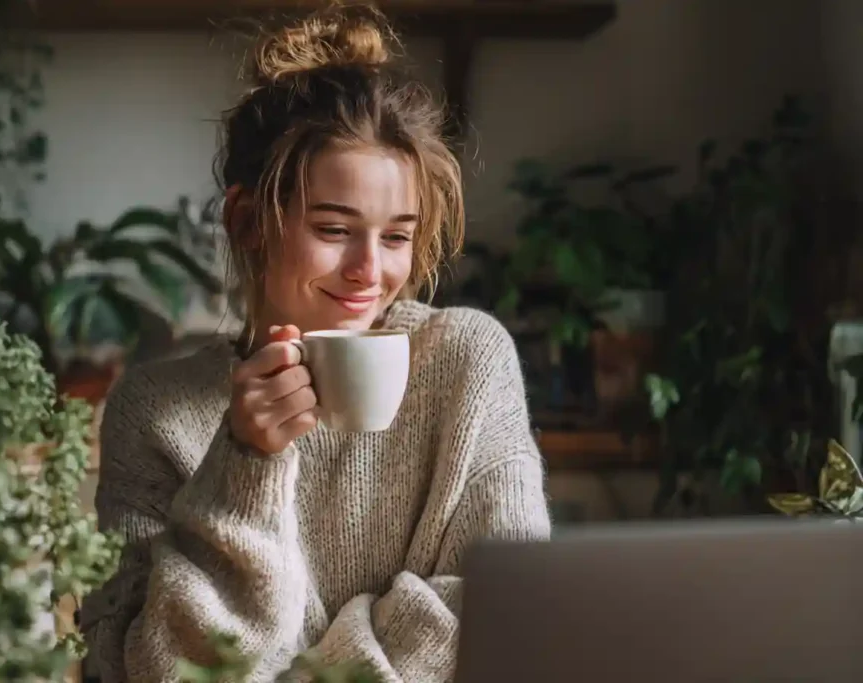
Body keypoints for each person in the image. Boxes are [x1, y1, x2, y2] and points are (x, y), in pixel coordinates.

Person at [79, 5, 551, 682]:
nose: (370, 270)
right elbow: (153, 669)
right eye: (334, 229)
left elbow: (506, 612)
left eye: (395, 236)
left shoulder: (467, 362)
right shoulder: (153, 411)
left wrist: (303, 673)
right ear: (248, 221)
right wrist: (245, 463)